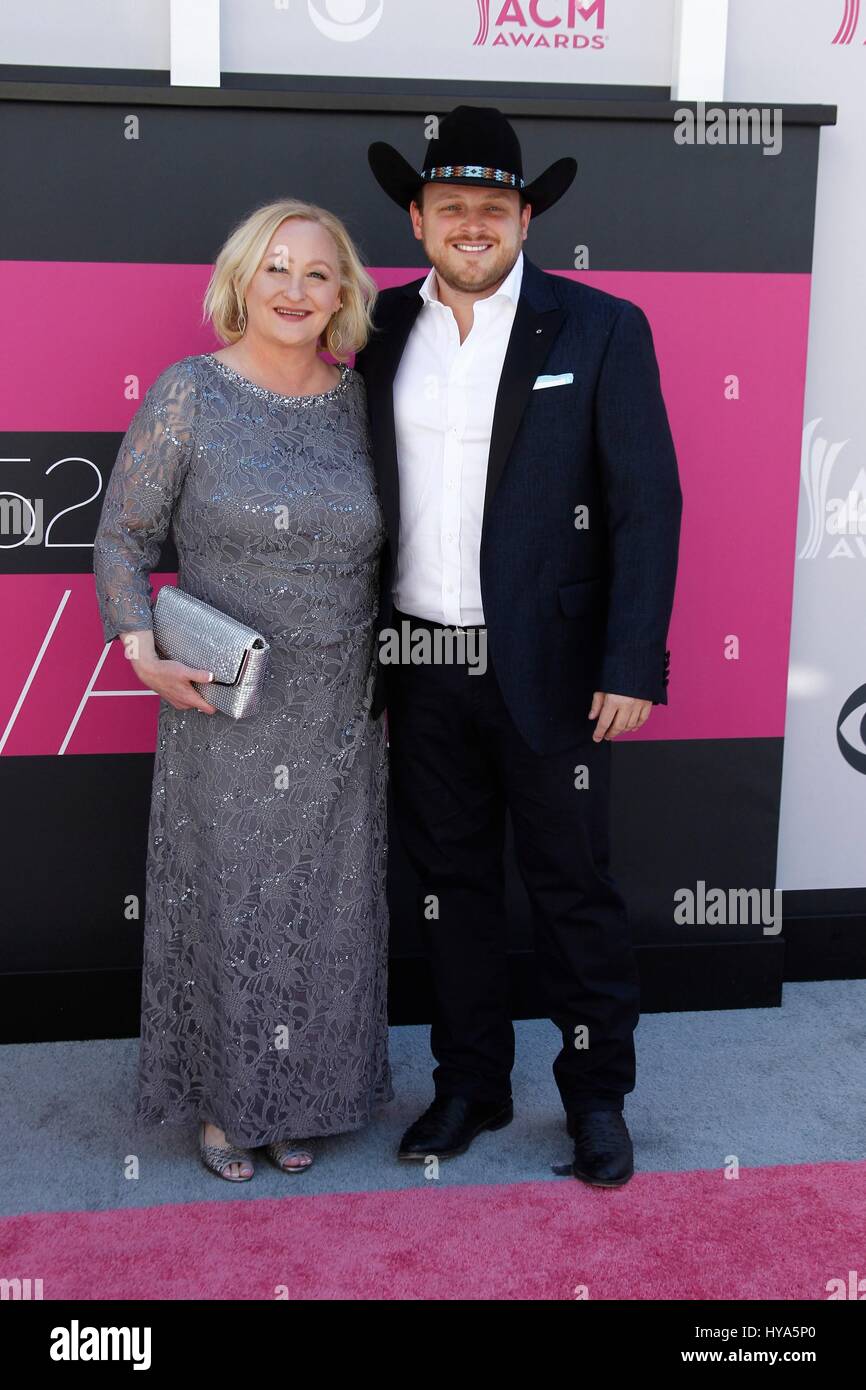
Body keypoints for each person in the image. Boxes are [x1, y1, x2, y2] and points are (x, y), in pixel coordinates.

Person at [355, 106, 682, 1187]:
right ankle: (469, 1085)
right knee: (449, 885)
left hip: (551, 667)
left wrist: (631, 662)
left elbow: (644, 503)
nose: (471, 224)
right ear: (415, 216)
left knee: (570, 886)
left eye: (492, 207)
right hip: (419, 663)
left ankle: (593, 1099)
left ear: (525, 216)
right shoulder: (371, 331)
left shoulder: (597, 326)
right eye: (449, 205)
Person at [93, 199, 392, 1181]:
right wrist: (141, 651)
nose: (295, 290)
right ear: (239, 282)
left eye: (317, 272)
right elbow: (125, 537)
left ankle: (299, 1095)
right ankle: (229, 1104)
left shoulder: (365, 404)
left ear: (343, 293)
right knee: (230, 902)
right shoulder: (190, 393)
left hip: (342, 709)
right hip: (225, 705)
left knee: (324, 904)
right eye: (275, 268)